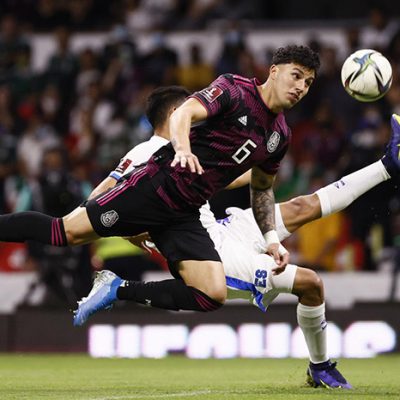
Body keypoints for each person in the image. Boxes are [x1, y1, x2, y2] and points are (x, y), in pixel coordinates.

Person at [76, 88, 400, 389]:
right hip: (213, 254)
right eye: (193, 108)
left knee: (303, 207)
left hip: (223, 228)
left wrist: (267, 162)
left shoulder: (188, 149)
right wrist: (129, 230)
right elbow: (95, 202)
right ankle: (321, 366)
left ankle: (387, 166)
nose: (202, 113)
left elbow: (236, 177)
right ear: (176, 113)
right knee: (311, 284)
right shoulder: (147, 152)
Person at [0, 45, 320, 315]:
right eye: (296, 76)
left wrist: (272, 240)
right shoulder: (234, 89)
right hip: (156, 186)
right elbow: (183, 113)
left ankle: (117, 288)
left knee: (211, 293)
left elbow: (261, 188)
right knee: (64, 232)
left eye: (307, 83)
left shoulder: (280, 136)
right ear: (274, 71)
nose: (301, 87)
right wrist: (182, 148)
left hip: (185, 212)